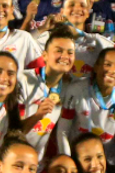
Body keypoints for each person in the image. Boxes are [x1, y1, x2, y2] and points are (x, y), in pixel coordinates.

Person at [56, 47, 115, 163]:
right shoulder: (75, 90)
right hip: (77, 158)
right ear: (96, 67)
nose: (112, 71)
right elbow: (63, 131)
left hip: (106, 162)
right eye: (107, 64)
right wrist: (68, 161)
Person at [18, 29, 75, 159]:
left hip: (38, 164)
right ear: (44, 56)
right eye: (59, 51)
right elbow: (13, 131)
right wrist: (38, 115)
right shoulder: (23, 80)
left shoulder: (69, 87)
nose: (65, 56)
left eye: (70, 52)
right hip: (14, 160)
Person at [49, 0, 115, 76]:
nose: (77, 9)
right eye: (71, 5)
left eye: (82, 5)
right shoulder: (49, 39)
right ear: (62, 12)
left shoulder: (98, 42)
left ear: (88, 13)